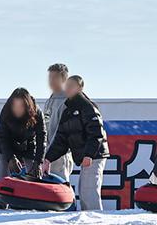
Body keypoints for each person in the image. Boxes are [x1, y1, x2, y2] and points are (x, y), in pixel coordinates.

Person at [44, 75, 109, 211]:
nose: (67, 89)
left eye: (71, 86)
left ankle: (96, 222)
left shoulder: (87, 106)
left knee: (89, 191)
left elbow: (96, 133)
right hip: (86, 156)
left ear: (79, 88)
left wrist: (89, 155)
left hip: (95, 155)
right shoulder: (67, 110)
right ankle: (88, 223)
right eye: (66, 86)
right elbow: (61, 140)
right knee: (83, 190)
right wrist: (48, 159)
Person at [0, 88, 47, 204]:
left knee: (34, 172)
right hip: (7, 145)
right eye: (15, 105)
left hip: (28, 145)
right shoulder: (6, 111)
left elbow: (41, 137)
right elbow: (3, 138)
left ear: (27, 106)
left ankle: (36, 202)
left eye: (21, 106)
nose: (17, 109)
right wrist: (11, 158)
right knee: (2, 166)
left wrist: (38, 162)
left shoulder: (37, 112)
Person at [43, 64, 75, 181]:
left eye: (54, 77)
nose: (51, 81)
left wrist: (56, 150)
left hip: (60, 153)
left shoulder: (67, 100)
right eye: (50, 77)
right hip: (48, 153)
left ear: (64, 79)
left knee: (61, 184)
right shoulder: (50, 100)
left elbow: (67, 129)